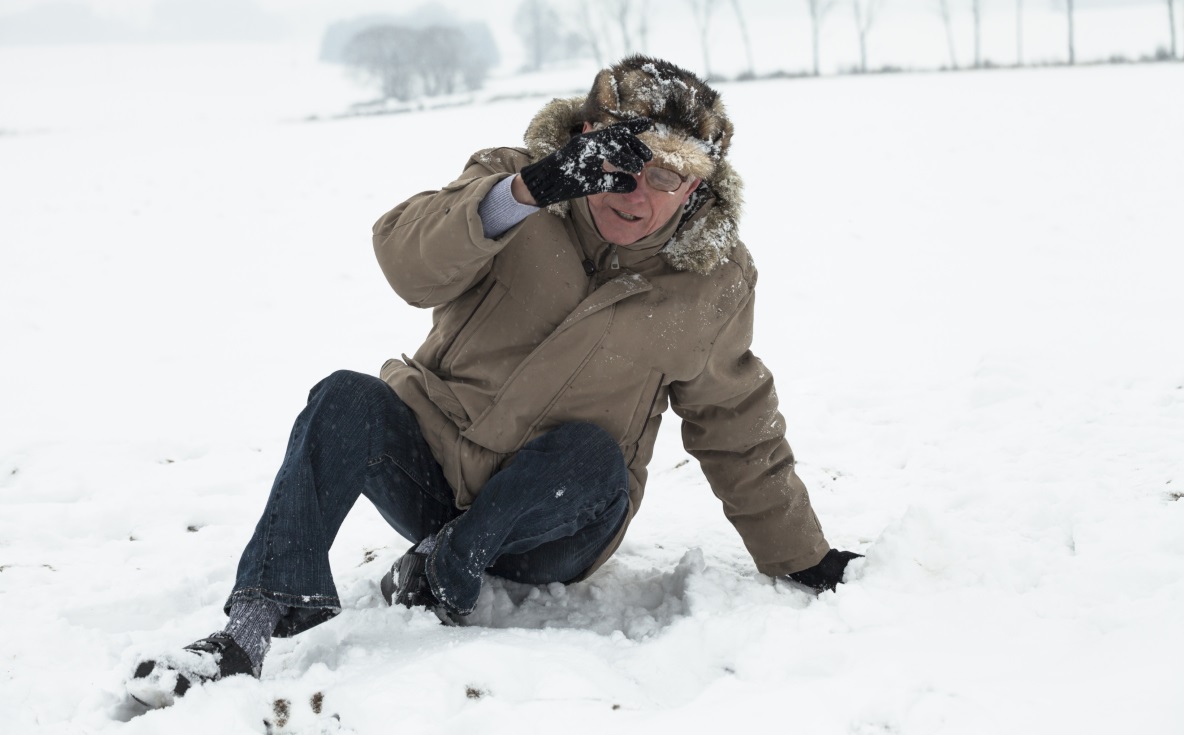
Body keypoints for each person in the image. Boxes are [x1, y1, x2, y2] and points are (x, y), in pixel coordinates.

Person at [126, 55, 863, 708]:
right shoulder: (509, 188)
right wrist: (526, 191)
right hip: (434, 468)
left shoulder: (712, 280)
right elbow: (404, 263)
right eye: (617, 162)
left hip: (559, 519)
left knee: (589, 452)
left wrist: (803, 556)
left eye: (665, 174)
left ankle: (447, 562)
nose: (633, 191)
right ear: (579, 146)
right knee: (341, 398)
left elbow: (735, 421)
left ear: (698, 189)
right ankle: (249, 629)